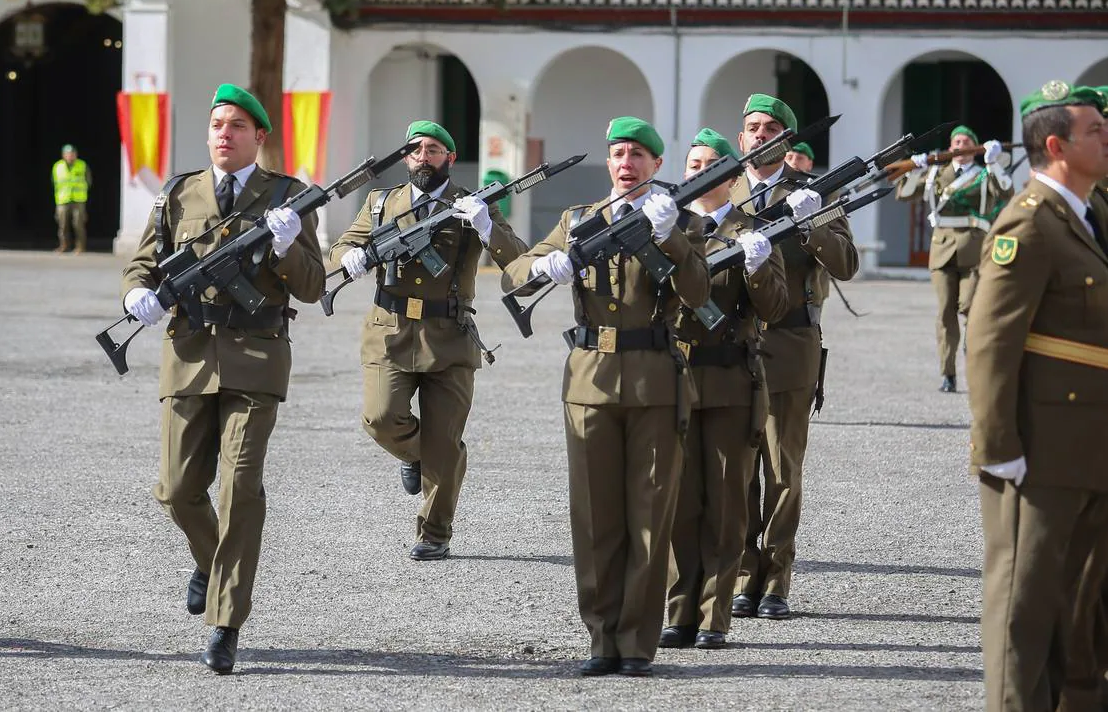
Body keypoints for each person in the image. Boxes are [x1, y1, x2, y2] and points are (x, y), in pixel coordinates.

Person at [120, 84, 324, 675]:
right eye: (216, 125)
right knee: (177, 490)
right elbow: (144, 260)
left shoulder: (286, 198)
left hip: (256, 361)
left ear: (259, 136)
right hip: (187, 356)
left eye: (236, 126)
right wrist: (137, 291)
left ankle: (226, 622)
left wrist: (287, 246)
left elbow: (311, 286)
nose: (224, 135)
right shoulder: (179, 193)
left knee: (240, 490)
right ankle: (211, 564)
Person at [503, 116, 710, 678]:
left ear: (658, 166)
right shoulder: (579, 221)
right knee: (595, 516)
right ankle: (601, 635)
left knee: (649, 513)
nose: (627, 163)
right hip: (590, 381)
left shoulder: (681, 219)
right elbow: (514, 274)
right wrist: (545, 264)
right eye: (618, 153)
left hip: (655, 381)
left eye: (639, 155)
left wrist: (670, 236)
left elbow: (700, 291)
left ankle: (637, 641)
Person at [966, 80, 1108, 712]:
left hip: (1086, 446)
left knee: (1076, 606)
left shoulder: (1085, 216)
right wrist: (998, 447)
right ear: (1057, 146)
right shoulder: (1027, 224)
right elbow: (990, 342)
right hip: (1041, 452)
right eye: (1096, 132)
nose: (1107, 138)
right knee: (1023, 609)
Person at [329, 120, 527, 561]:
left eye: (434, 149)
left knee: (445, 441)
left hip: (450, 336)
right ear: (405, 157)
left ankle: (435, 532)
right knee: (380, 418)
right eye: (415, 149)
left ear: (450, 159)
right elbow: (340, 247)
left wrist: (487, 227)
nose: (423, 156)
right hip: (389, 332)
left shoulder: (473, 205)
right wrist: (352, 257)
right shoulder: (381, 203)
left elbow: (518, 262)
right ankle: (417, 456)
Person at [728, 94, 859, 622]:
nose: (759, 135)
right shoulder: (720, 190)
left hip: (790, 344)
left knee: (783, 469)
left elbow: (847, 264)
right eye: (751, 127)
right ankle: (741, 573)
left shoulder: (815, 194)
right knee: (736, 469)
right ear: (740, 139)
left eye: (770, 128)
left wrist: (814, 227)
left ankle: (776, 578)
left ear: (787, 141)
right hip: (730, 347)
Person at [662, 128, 787, 652]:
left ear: (731, 177)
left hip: (732, 381)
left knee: (727, 502)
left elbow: (776, 308)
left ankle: (714, 616)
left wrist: (758, 268)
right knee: (680, 502)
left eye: (709, 164)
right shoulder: (667, 226)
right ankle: (678, 611)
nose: (697, 173)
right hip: (675, 378)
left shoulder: (754, 230)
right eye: (692, 164)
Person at [895, 125, 1014, 392]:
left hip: (974, 248)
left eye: (966, 141)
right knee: (945, 311)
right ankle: (948, 373)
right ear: (950, 149)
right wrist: (914, 169)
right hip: (942, 248)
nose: (960, 145)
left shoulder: (984, 172)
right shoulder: (937, 171)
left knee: (971, 308)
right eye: (955, 142)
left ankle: (974, 360)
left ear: (975, 146)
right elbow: (904, 194)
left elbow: (1006, 192)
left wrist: (993, 162)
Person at [52, 143, 91, 253]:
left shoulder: (82, 165)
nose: (70, 156)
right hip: (62, 200)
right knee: (62, 225)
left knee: (78, 224)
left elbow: (88, 181)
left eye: (72, 154)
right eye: (68, 154)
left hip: (78, 200)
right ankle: (64, 245)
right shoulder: (57, 166)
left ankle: (80, 246)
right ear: (63, 155)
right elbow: (54, 182)